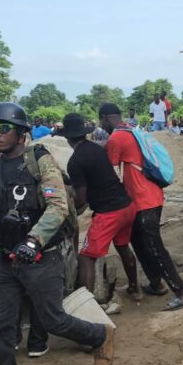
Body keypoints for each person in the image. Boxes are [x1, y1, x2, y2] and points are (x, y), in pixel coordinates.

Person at [0, 102, 115, 365]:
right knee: (1, 328)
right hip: (6, 262)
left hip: (41, 258)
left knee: (53, 320)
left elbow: (58, 207)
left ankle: (99, 335)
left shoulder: (39, 161)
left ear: (22, 133)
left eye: (2, 128)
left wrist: (33, 239)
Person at [100, 103, 183, 311]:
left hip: (144, 199)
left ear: (105, 118)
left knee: (154, 247)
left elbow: (109, 166)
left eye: (101, 122)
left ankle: (182, 294)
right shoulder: (132, 131)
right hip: (148, 196)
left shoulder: (117, 137)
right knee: (137, 239)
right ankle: (156, 283)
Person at [61, 113, 141, 301]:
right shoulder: (96, 149)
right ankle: (135, 288)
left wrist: (71, 206)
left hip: (109, 213)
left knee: (86, 257)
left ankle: (86, 304)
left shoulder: (75, 161)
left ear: (67, 137)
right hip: (126, 206)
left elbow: (81, 197)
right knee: (123, 247)